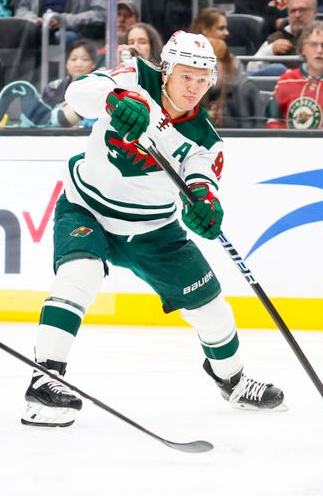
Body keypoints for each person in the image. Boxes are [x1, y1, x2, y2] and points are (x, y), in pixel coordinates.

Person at [20, 31, 285, 429]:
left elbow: (202, 185)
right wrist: (113, 100)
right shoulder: (131, 77)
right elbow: (78, 94)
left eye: (202, 79)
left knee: (211, 306)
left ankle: (232, 380)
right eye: (185, 76)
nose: (194, 87)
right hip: (86, 207)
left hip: (153, 229)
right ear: (165, 72)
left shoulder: (204, 141)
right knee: (81, 274)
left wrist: (206, 208)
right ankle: (44, 383)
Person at [247, 0, 317, 74]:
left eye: (302, 10)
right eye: (293, 11)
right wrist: (270, 50)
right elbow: (251, 69)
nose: (297, 15)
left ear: (314, 13)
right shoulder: (277, 38)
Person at [206, 38, 265, 128]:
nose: (207, 73)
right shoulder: (204, 90)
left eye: (212, 67)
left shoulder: (246, 89)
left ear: (225, 64)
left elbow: (259, 130)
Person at [43, 39, 97, 127]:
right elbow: (41, 118)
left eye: (85, 59)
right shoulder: (53, 88)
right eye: (73, 59)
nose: (78, 64)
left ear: (93, 64)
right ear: (66, 63)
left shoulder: (100, 89)